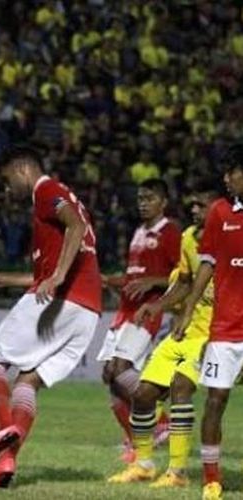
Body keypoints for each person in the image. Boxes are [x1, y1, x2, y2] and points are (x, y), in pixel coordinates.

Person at [0, 145, 101, 491]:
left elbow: (77, 225)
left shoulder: (46, 190)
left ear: (23, 169)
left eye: (9, 180)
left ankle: (3, 431)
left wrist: (57, 277)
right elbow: (45, 271)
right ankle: (6, 461)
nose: (8, 189)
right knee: (27, 382)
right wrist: (2, 280)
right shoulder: (52, 205)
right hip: (87, 312)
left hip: (62, 300)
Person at [107, 185, 218, 487]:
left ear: (219, 208)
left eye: (201, 204)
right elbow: (183, 281)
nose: (194, 210)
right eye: (192, 204)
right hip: (184, 331)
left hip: (216, 334)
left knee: (181, 387)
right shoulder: (188, 239)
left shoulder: (235, 240)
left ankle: (178, 473)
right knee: (143, 394)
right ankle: (143, 464)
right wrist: (156, 306)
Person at [172, 145, 243, 500]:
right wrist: (187, 311)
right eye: (226, 173)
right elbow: (206, 265)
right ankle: (212, 479)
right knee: (216, 399)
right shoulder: (219, 212)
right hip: (226, 330)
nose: (227, 179)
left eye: (233, 172)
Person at [99, 179, 181, 463]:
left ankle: (160, 421)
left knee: (121, 369)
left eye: (149, 198)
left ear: (163, 202)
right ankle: (135, 442)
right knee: (110, 376)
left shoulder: (169, 232)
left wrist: (153, 282)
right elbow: (134, 277)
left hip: (147, 312)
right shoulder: (137, 232)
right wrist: (111, 280)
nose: (143, 203)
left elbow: (182, 274)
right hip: (124, 310)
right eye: (140, 198)